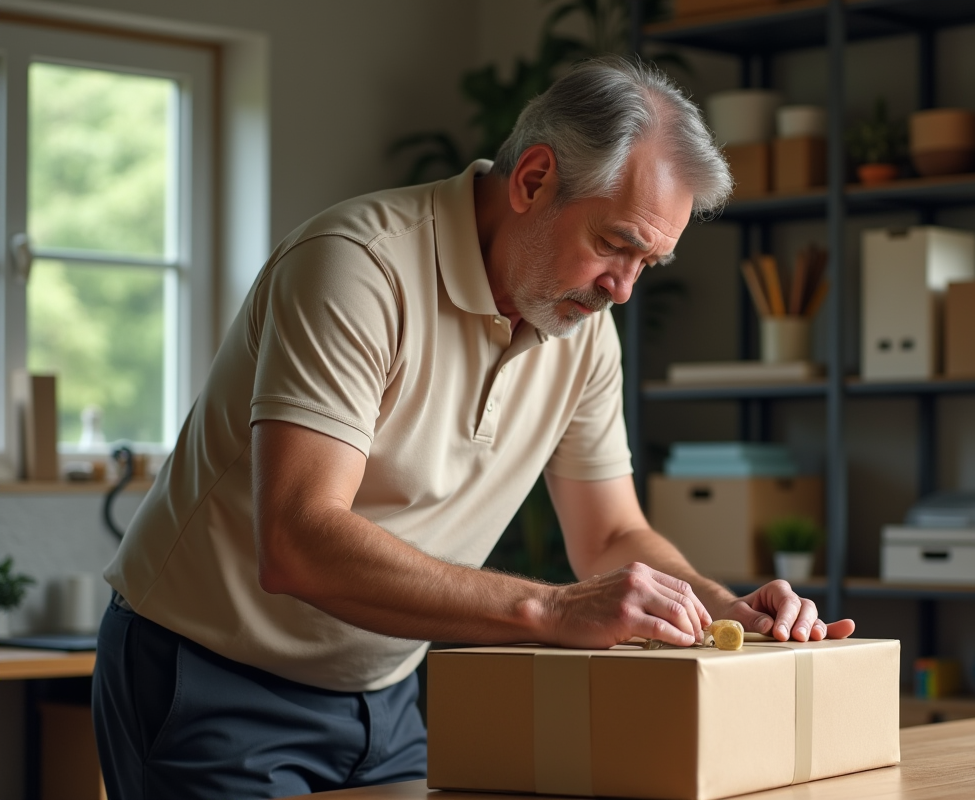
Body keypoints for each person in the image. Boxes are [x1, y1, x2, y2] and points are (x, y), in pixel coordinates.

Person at [92, 56, 854, 800]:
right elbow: (296, 540)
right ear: (532, 181)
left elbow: (612, 534)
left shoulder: (583, 330)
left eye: (648, 262)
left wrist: (719, 606)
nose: (622, 289)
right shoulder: (357, 267)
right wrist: (551, 608)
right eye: (615, 244)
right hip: (209, 675)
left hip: (383, 695)